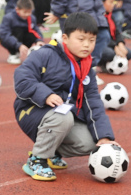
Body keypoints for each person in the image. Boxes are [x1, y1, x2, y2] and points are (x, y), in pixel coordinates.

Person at [14, 12, 114, 182]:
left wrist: (104, 137)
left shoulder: (87, 66)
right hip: (31, 110)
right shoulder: (46, 54)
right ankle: (36, 159)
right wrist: (45, 95)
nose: (87, 45)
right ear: (65, 38)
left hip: (61, 115)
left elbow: (93, 103)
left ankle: (51, 152)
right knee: (63, 117)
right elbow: (22, 77)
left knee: (91, 143)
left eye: (91, 40)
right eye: (81, 39)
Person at [0, 0, 43, 64]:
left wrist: (39, 40)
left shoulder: (32, 18)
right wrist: (18, 45)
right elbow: (4, 34)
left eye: (29, 12)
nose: (27, 14)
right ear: (17, 9)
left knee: (31, 33)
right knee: (18, 30)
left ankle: (20, 52)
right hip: (9, 39)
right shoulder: (9, 17)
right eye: (25, 12)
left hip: (22, 39)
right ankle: (13, 54)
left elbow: (36, 30)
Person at [98, 0, 131, 70]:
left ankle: (109, 64)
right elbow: (102, 37)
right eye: (110, 2)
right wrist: (115, 46)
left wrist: (120, 43)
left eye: (114, 2)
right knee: (110, 53)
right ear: (102, 3)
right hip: (101, 45)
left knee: (129, 53)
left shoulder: (110, 16)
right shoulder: (98, 18)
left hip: (112, 44)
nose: (113, 5)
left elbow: (117, 32)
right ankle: (100, 65)